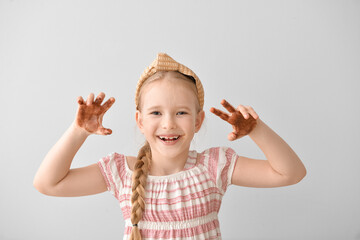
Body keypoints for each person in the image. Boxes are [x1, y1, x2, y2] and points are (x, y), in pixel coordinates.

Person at [33, 53, 307, 240]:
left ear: (198, 121)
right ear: (139, 121)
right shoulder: (121, 172)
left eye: (181, 113)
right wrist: (78, 131)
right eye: (155, 113)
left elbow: (291, 173)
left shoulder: (214, 166)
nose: (168, 124)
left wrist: (257, 130)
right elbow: (48, 184)